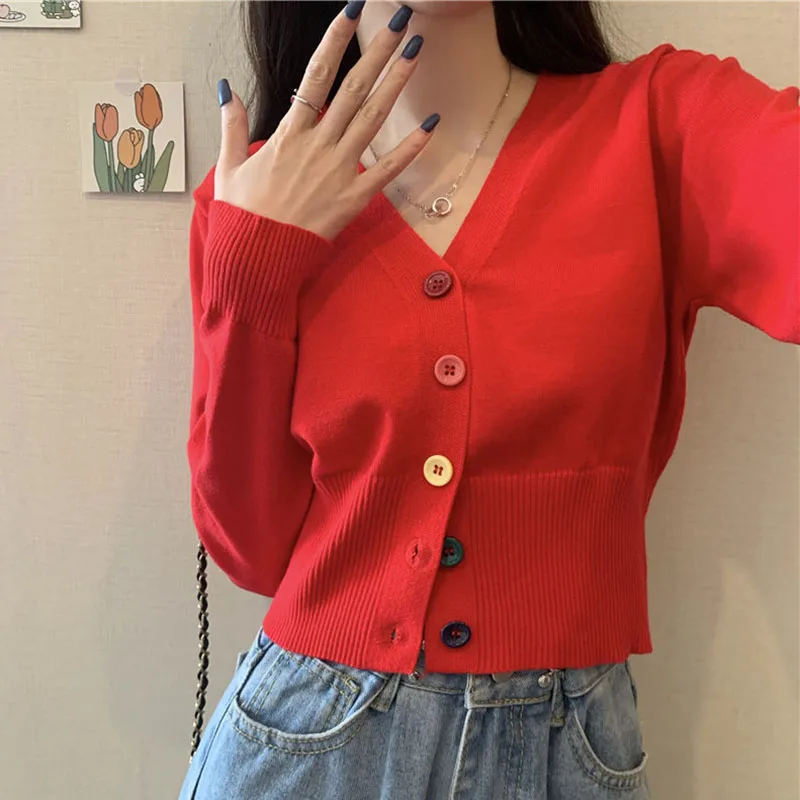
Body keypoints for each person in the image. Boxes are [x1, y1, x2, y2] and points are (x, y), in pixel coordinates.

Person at [178, 1, 799, 798]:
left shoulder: (657, 125)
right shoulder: (256, 190)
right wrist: (255, 260)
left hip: (566, 744)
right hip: (305, 741)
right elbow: (251, 548)